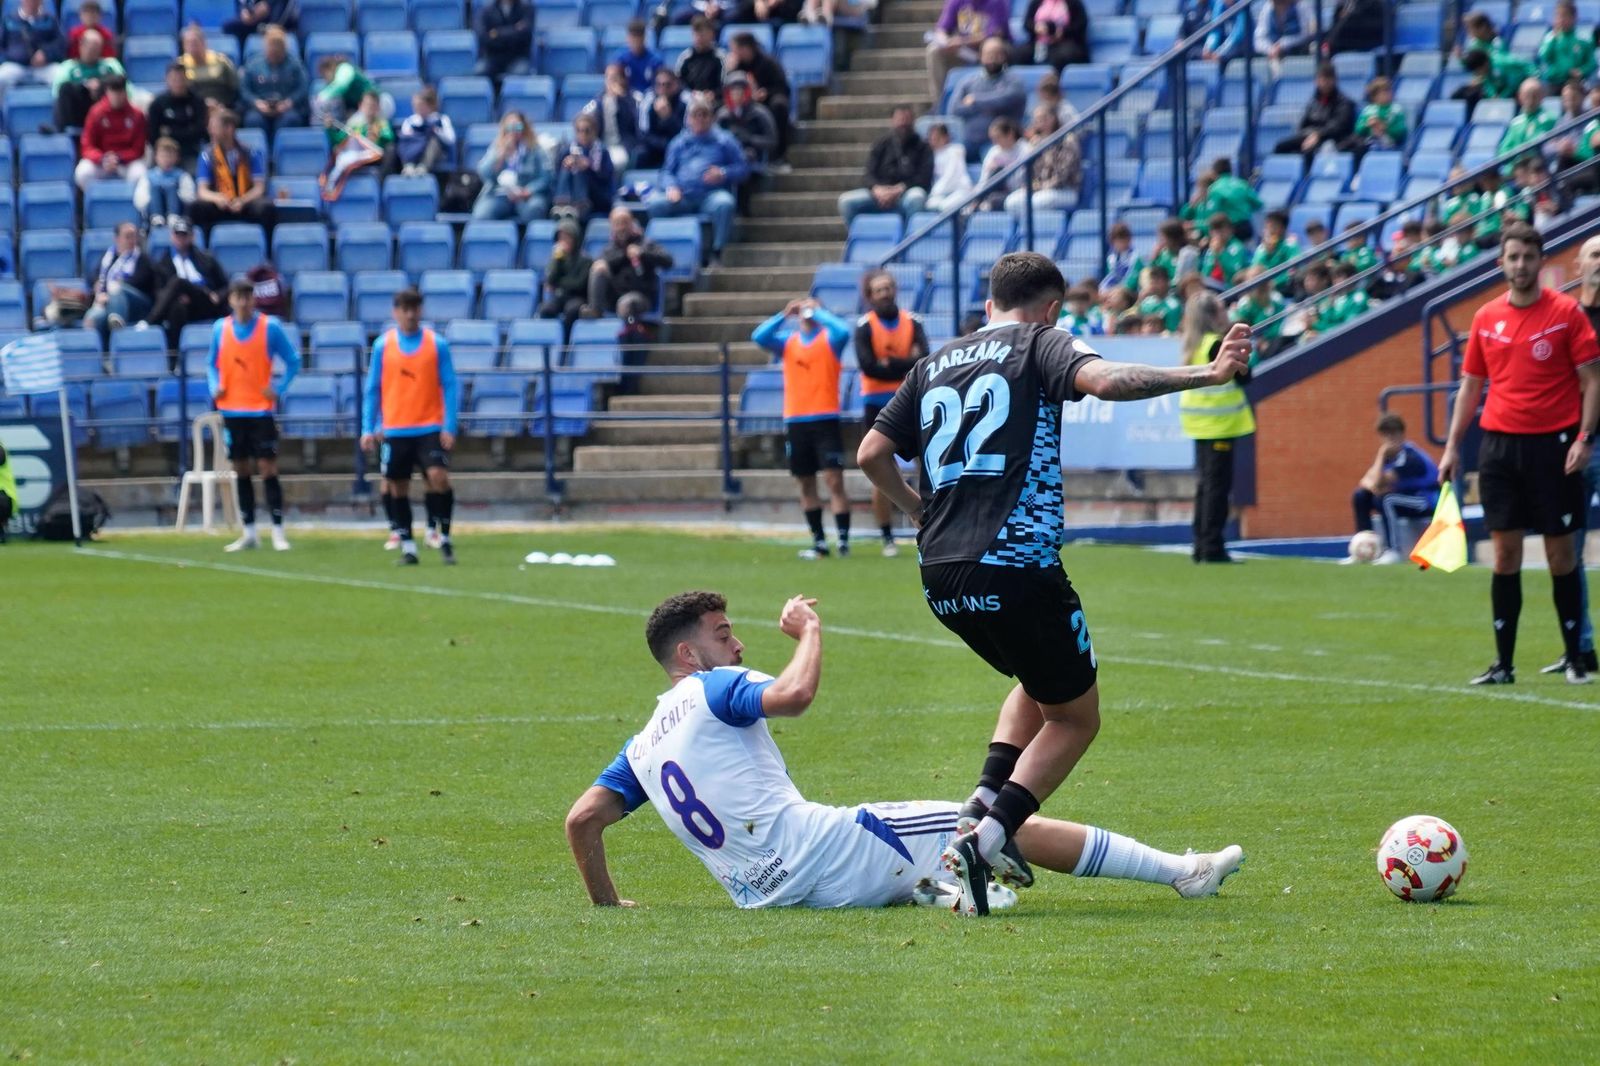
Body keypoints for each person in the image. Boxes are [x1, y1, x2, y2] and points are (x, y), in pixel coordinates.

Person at [856, 252, 1252, 915]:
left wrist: (918, 511)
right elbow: (1106, 381)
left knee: (1035, 686)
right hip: (1016, 565)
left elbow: (871, 454)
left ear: (988, 306)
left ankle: (981, 808)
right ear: (1051, 310)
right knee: (1075, 718)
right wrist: (1206, 374)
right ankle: (988, 836)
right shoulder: (1043, 342)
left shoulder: (932, 364)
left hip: (940, 573)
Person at [565, 590, 1243, 911]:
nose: (736, 645)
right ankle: (1181, 872)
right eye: (722, 634)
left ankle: (963, 889)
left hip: (767, 894)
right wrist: (809, 631)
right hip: (823, 849)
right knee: (994, 826)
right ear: (689, 655)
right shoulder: (714, 687)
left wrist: (607, 904)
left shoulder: (642, 746)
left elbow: (582, 820)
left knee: (1009, 749)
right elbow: (797, 696)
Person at [1438, 223, 1600, 686]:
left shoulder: (1567, 313)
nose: (1521, 266)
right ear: (1501, 263)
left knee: (1560, 556)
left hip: (1554, 447)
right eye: (1513, 258)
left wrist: (1584, 439)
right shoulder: (1487, 317)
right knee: (1505, 557)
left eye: (1528, 258)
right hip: (1499, 450)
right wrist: (1451, 447)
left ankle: (1574, 658)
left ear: (1539, 261)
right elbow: (1471, 386)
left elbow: (1592, 381)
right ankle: (1503, 665)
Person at [361, 289, 461, 567]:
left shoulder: (436, 344)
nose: (409, 314)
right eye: (404, 308)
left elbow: (450, 385)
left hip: (429, 426)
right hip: (395, 429)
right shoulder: (383, 345)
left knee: (438, 476)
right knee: (397, 486)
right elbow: (373, 388)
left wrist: (449, 426)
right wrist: (368, 427)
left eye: (414, 308)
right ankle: (408, 547)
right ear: (395, 312)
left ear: (421, 310)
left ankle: (445, 536)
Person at [753, 297, 854, 559]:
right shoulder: (789, 342)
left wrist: (819, 313)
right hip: (796, 420)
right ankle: (819, 541)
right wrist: (784, 314)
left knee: (834, 480)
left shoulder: (830, 340)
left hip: (825, 418)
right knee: (806, 483)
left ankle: (843, 540)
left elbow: (843, 330)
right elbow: (759, 336)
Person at [208, 279, 300, 553]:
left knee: (268, 468)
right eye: (239, 296)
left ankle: (278, 530)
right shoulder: (220, 329)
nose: (244, 302)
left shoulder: (269, 327)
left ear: (254, 299)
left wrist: (279, 388)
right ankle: (248, 530)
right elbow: (211, 363)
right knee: (240, 469)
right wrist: (216, 387)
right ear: (231, 300)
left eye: (248, 296)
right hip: (232, 409)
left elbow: (293, 360)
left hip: (260, 410)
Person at [1177, 291, 1255, 563]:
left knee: (1205, 487)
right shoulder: (1216, 344)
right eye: (1222, 311)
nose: (1227, 315)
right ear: (1212, 316)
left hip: (1200, 424)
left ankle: (1201, 544)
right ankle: (1212, 547)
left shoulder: (1193, 344)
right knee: (1217, 490)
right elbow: (1244, 378)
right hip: (1219, 424)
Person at [854, 270, 928, 557]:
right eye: (878, 290)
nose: (884, 293)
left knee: (927, 466)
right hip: (877, 404)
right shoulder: (864, 326)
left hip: (911, 399)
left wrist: (890, 362)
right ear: (870, 296)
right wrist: (905, 361)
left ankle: (929, 525)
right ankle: (887, 537)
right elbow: (868, 366)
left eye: (888, 288)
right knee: (879, 467)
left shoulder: (913, 321)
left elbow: (923, 361)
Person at [1557, 234, 1600, 675]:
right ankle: (1579, 646)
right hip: (1570, 446)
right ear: (1577, 265)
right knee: (1568, 552)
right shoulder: (1564, 318)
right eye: (1595, 254)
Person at [646, 99, 748, 261]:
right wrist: (671, 187)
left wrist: (723, 173)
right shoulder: (679, 143)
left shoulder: (724, 140)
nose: (700, 118)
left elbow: (743, 168)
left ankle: (717, 252)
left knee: (725, 204)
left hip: (710, 195)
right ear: (688, 119)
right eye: (695, 115)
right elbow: (666, 172)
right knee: (656, 204)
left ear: (712, 118)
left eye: (704, 115)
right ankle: (661, 253)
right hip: (682, 196)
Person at [1347, 413, 1440, 565]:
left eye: (1393, 434)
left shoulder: (1410, 457)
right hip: (1405, 499)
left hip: (1425, 501)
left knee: (1386, 499)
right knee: (1361, 496)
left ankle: (1393, 551)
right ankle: (1362, 547)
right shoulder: (1388, 458)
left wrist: (1381, 455)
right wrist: (1380, 462)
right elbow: (1365, 482)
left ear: (1402, 434)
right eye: (1385, 435)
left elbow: (1377, 482)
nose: (1390, 439)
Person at [837, 104, 931, 227]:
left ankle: (910, 240)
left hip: (905, 193)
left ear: (912, 121)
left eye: (906, 119)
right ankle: (862, 238)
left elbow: (924, 178)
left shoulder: (922, 146)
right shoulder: (881, 144)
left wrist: (898, 190)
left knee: (917, 197)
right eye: (900, 119)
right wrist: (877, 190)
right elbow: (868, 174)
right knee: (846, 201)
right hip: (879, 194)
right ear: (892, 121)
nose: (903, 123)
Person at [147, 217, 228, 349]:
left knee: (178, 282)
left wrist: (217, 295)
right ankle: (175, 356)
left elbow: (226, 285)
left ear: (192, 237)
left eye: (184, 235)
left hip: (206, 301)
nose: (181, 239)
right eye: (177, 235)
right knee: (176, 308)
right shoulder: (162, 264)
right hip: (182, 306)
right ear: (172, 236)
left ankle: (150, 322)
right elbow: (159, 292)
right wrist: (176, 298)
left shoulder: (207, 259)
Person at [189, 108, 273, 234]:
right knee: (197, 207)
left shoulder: (250, 153)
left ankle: (266, 250)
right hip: (220, 204)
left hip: (245, 201)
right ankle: (205, 248)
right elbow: (202, 190)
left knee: (266, 207)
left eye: (214, 127)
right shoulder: (207, 155)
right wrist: (217, 198)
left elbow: (259, 188)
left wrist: (242, 201)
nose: (210, 131)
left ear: (229, 129)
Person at [589, 206, 674, 324]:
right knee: (598, 268)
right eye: (617, 223)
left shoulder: (645, 243)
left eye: (624, 223)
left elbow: (668, 261)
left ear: (632, 223)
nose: (621, 227)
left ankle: (628, 338)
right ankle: (595, 312)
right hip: (614, 296)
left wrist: (642, 253)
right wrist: (620, 257)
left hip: (640, 296)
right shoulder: (608, 249)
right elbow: (600, 265)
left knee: (626, 304)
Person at [81, 222, 158, 344]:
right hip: (106, 301)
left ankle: (116, 323)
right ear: (117, 238)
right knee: (94, 318)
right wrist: (98, 288)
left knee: (115, 286)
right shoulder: (107, 257)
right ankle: (101, 356)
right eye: (128, 236)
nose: (132, 240)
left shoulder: (143, 259)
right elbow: (94, 278)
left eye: (134, 236)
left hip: (137, 304)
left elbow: (139, 282)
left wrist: (110, 291)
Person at [951, 37, 1026, 160]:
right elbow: (955, 108)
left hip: (1001, 144)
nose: (992, 59)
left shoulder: (1014, 81)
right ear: (981, 56)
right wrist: (986, 107)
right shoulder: (968, 82)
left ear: (1004, 56)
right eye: (988, 55)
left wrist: (975, 101)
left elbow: (1006, 99)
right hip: (970, 141)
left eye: (997, 55)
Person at [471, 110, 551, 222]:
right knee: (481, 215)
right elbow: (484, 173)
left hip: (526, 195)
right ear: (504, 129)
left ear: (524, 128)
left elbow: (546, 177)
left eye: (517, 127)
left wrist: (529, 190)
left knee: (534, 210)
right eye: (509, 127)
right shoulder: (496, 148)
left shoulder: (535, 148)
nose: (513, 131)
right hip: (500, 194)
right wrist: (501, 156)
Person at [925, 0, 1010, 104]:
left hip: (988, 49)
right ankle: (939, 102)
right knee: (934, 50)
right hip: (964, 52)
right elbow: (942, 29)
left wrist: (961, 41)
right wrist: (945, 41)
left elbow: (994, 33)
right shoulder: (956, 2)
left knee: (992, 44)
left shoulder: (997, 2)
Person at [1003, 104, 1080, 218]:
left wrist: (1039, 187)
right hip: (1040, 190)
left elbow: (1062, 176)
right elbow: (1030, 173)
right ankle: (1025, 233)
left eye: (1043, 119)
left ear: (1053, 118)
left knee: (1036, 203)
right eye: (1037, 120)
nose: (1038, 123)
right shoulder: (1036, 143)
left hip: (1065, 190)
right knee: (1011, 202)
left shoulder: (1067, 139)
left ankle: (1038, 233)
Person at [727, 32, 791, 163]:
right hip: (742, 103)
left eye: (735, 49)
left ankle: (779, 154)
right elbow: (727, 88)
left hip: (766, 100)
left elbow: (783, 87)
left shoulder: (769, 63)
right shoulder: (736, 66)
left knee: (779, 105)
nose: (733, 53)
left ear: (746, 48)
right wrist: (729, 71)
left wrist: (766, 93)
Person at [74, 74, 146, 191]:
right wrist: (102, 158)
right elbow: (87, 145)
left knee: (140, 174)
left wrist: (120, 157)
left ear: (125, 92)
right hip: (101, 161)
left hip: (126, 162)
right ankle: (97, 205)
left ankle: (131, 207)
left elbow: (138, 149)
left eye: (120, 92)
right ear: (107, 92)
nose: (116, 96)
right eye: (113, 92)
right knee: (83, 173)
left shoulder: (137, 115)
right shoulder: (96, 112)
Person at [1273, 61, 1355, 159]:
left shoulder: (1344, 102)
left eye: (1327, 79)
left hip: (1330, 139)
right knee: (1281, 147)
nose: (1323, 83)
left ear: (1334, 80)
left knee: (1309, 151)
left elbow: (1338, 127)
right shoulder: (1313, 101)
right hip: (1309, 135)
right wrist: (1307, 136)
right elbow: (1303, 124)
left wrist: (1318, 135)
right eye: (1321, 79)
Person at [50, 29, 126, 132]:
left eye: (97, 48)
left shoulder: (110, 64)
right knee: (65, 88)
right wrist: (85, 86)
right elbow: (57, 91)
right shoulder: (68, 67)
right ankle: (62, 130)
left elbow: (124, 84)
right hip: (78, 110)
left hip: (104, 109)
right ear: (81, 46)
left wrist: (100, 84)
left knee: (114, 86)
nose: (93, 52)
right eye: (90, 48)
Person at [239, 25, 309, 135]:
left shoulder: (295, 65)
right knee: (253, 120)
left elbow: (303, 87)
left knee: (290, 120)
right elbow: (244, 89)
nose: (274, 56)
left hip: (286, 107)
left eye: (278, 53)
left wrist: (290, 102)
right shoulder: (253, 64)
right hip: (260, 107)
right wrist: (256, 102)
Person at [714, 70, 777, 176]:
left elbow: (772, 141)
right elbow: (714, 140)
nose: (737, 94)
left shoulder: (760, 113)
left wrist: (750, 139)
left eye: (740, 90)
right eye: (733, 91)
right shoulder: (722, 116)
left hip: (754, 159)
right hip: (729, 161)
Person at [147, 61, 208, 165]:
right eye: (174, 80)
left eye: (181, 79)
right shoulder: (158, 104)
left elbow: (199, 131)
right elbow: (153, 136)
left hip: (190, 151)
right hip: (164, 153)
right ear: (167, 80)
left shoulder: (197, 101)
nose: (178, 83)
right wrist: (186, 131)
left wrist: (170, 132)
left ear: (186, 80)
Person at [583, 63, 641, 172]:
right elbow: (583, 118)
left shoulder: (634, 98)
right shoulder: (598, 101)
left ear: (623, 80)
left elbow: (638, 123)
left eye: (614, 78)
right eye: (607, 78)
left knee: (613, 162)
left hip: (623, 146)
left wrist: (622, 99)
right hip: (601, 145)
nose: (610, 82)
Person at [0, 0, 65, 92]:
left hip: (44, 67)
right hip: (15, 66)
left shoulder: (50, 20)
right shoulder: (9, 20)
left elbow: (60, 44)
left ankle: (59, 106)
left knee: (61, 77)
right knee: (1, 77)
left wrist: (46, 53)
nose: (31, 3)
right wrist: (13, 56)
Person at [540, 220, 594, 325]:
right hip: (562, 296)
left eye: (567, 237)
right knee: (546, 309)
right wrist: (556, 259)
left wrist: (558, 283)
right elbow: (550, 280)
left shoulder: (586, 260)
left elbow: (579, 284)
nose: (563, 241)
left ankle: (566, 339)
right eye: (560, 238)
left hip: (579, 297)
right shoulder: (558, 258)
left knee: (571, 310)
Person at [134, 137, 196, 227]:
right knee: (155, 187)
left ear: (177, 157)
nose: (166, 159)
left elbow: (189, 197)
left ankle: (173, 217)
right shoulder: (148, 176)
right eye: (163, 156)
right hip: (152, 213)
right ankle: (156, 217)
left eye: (170, 156)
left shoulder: (182, 175)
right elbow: (141, 199)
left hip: (177, 212)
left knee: (171, 187)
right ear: (156, 157)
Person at [396, 87, 456, 177]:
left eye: (421, 105)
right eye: (415, 105)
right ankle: (408, 167)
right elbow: (405, 140)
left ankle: (423, 168)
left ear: (429, 105)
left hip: (435, 155)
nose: (418, 108)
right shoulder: (410, 121)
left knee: (434, 141)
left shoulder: (441, 119)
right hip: (414, 153)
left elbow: (451, 139)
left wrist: (437, 131)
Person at [1498, 77, 1558, 167]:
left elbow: (1535, 144)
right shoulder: (1515, 123)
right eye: (1527, 95)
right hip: (1515, 171)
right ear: (1520, 96)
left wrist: (1516, 153)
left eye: (1534, 95)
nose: (1530, 99)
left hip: (1538, 168)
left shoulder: (1549, 118)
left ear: (1542, 96)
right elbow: (1503, 151)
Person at [1014, 0, 1089, 69]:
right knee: (1021, 53)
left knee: (1061, 56)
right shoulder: (1036, 2)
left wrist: (1062, 32)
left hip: (1065, 42)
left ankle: (1053, 81)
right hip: (1039, 43)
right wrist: (1036, 27)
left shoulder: (1073, 2)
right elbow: (1027, 23)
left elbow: (1081, 24)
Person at [637, 67, 687, 170]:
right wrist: (665, 145)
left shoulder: (685, 101)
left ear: (676, 85)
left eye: (667, 85)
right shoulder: (648, 101)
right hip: (654, 147)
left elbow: (686, 133)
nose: (663, 89)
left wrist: (668, 118)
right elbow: (644, 134)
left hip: (679, 146)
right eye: (659, 85)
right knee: (641, 153)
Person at [1538, 0, 1595, 89]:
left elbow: (1592, 63)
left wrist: (1582, 71)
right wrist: (1553, 39)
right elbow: (1544, 57)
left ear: (1574, 17)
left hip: (1576, 83)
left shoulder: (1583, 39)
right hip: (1553, 81)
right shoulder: (1549, 37)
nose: (1561, 19)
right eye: (1557, 15)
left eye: (1564, 15)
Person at [179, 24, 238, 109]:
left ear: (204, 43)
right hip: (193, 109)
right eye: (187, 44)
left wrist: (223, 104)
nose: (191, 47)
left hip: (222, 106)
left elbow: (234, 88)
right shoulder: (180, 65)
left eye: (194, 43)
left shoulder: (221, 61)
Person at [313, 53, 379, 127]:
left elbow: (341, 85)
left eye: (325, 75)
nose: (326, 80)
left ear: (329, 69)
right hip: (364, 108)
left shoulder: (345, 68)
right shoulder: (337, 85)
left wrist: (322, 96)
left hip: (378, 103)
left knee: (355, 123)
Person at [474, 0, 533, 83]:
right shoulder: (487, 10)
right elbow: (483, 36)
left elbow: (525, 33)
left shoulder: (526, 9)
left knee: (519, 74)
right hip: (493, 56)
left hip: (517, 57)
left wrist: (497, 33)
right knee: (480, 71)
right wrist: (514, 29)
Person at [923, 120, 973, 212]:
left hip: (960, 190)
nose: (934, 140)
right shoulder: (930, 155)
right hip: (940, 193)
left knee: (946, 206)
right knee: (931, 205)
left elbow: (951, 175)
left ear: (946, 137)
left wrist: (935, 191)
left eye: (937, 137)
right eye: (932, 137)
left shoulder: (956, 150)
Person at [675, 15, 724, 97]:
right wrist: (691, 94)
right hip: (690, 99)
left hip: (714, 100)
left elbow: (724, 83)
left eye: (703, 34)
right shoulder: (685, 56)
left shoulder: (720, 57)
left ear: (712, 34)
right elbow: (678, 82)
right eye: (697, 34)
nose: (700, 38)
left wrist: (714, 94)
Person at [612, 18, 662, 94]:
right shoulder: (621, 59)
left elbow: (661, 82)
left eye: (638, 39)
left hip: (649, 96)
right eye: (633, 39)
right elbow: (613, 79)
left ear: (644, 38)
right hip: (627, 97)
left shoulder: (655, 60)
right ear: (628, 38)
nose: (636, 43)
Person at [223, 0, 298, 45]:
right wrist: (245, 13)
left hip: (277, 28)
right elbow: (243, 8)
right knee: (229, 26)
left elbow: (284, 20)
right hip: (253, 25)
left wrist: (267, 8)